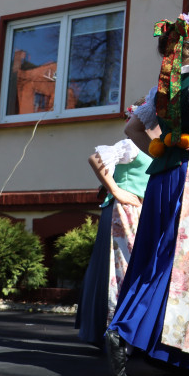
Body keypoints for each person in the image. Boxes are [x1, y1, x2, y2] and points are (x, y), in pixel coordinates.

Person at [104, 10, 189, 376]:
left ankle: (172, 350)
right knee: (180, 261)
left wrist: (158, 148)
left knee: (151, 256)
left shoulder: (163, 85)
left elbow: (132, 127)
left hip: (161, 177)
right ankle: (125, 331)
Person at [75, 128, 153, 348]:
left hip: (138, 213)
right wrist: (116, 190)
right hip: (123, 211)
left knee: (129, 268)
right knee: (118, 269)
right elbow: (95, 158)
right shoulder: (132, 145)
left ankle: (120, 331)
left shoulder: (157, 147)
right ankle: (111, 331)